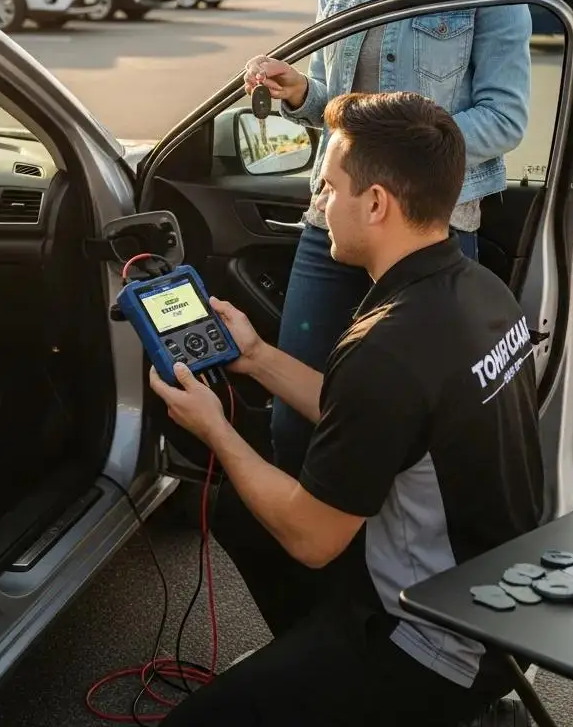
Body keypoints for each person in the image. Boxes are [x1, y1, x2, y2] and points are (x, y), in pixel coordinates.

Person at [149, 91, 544, 727]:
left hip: (434, 644)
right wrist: (256, 359)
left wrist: (214, 428)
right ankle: (316, 668)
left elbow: (310, 539)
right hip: (498, 604)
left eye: (328, 187)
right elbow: (383, 414)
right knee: (238, 514)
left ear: (378, 203)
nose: (319, 203)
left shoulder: (387, 347)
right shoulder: (480, 291)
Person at [243, 0, 533, 477]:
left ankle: (386, 574)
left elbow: (505, 115)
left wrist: (398, 168)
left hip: (427, 233)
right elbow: (345, 109)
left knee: (398, 431)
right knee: (295, 421)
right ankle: (322, 570)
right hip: (333, 221)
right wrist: (301, 92)